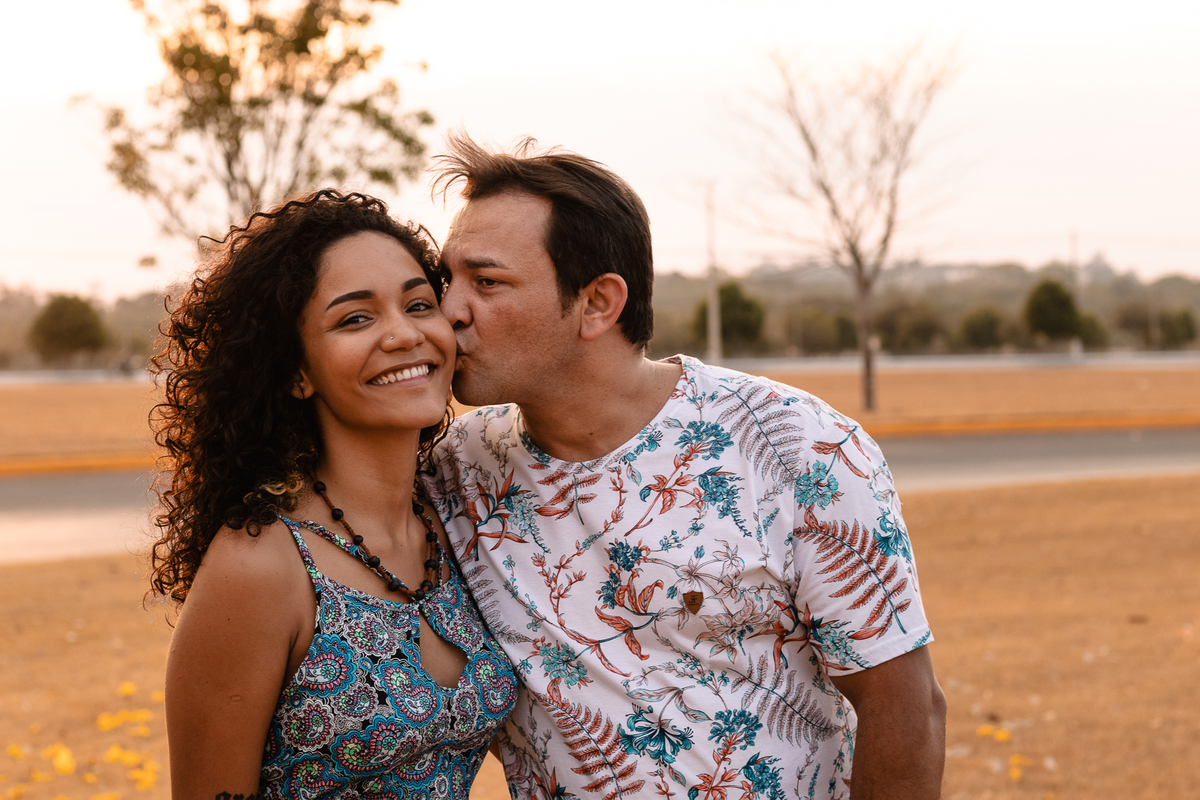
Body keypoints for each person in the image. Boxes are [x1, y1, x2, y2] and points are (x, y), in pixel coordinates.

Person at [425, 136, 946, 800]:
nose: (450, 311)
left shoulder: (797, 447)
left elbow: (902, 704)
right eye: (447, 281)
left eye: (487, 282)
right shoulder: (453, 470)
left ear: (597, 304)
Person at [150, 190, 518, 799]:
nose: (404, 336)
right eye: (355, 318)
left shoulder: (459, 521)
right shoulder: (260, 565)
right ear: (296, 371)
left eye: (419, 304)